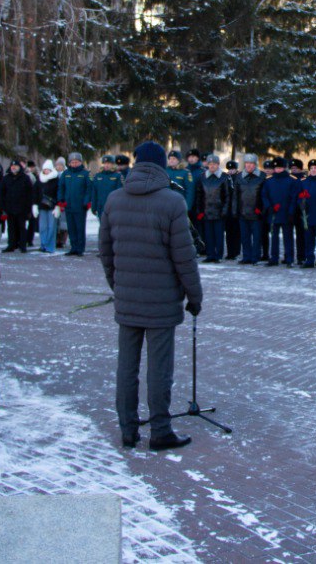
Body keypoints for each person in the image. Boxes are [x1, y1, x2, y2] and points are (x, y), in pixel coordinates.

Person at [99, 140, 202, 452]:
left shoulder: (114, 200)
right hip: (161, 303)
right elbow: (185, 258)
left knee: (126, 367)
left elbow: (106, 254)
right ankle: (160, 430)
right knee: (160, 369)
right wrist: (194, 297)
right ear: (161, 166)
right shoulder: (172, 202)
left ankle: (128, 430)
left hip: (128, 300)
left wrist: (118, 287)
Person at [196, 154, 235, 263]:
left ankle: (218, 255)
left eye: (214, 164)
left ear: (218, 165)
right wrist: (200, 211)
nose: (212, 166)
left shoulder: (224, 177)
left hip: (219, 211)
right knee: (208, 235)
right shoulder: (202, 177)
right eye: (210, 164)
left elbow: (228, 196)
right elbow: (199, 195)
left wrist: (225, 211)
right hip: (207, 211)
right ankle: (210, 254)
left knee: (218, 235)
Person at [261, 157, 298, 266]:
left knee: (288, 237)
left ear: (284, 168)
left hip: (286, 213)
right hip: (273, 213)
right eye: (276, 167)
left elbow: (294, 197)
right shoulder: (269, 180)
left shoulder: (292, 180)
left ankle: (289, 258)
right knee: (274, 237)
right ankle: (274, 258)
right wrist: (269, 207)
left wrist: (291, 212)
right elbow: (264, 195)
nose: (278, 170)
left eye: (280, 167)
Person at [57, 153, 91, 256]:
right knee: (71, 228)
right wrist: (61, 200)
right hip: (68, 205)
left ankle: (80, 248)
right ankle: (73, 247)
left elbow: (88, 189)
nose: (74, 164)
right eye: (72, 162)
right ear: (69, 163)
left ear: (80, 162)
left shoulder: (85, 174)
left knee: (79, 228)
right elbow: (61, 188)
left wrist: (86, 202)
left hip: (80, 206)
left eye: (76, 162)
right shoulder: (66, 174)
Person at [0, 159, 33, 254]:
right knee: (11, 228)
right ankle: (11, 245)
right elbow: (3, 193)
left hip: (22, 208)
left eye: (16, 166)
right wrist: (4, 206)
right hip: (9, 207)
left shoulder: (25, 178)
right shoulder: (6, 178)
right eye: (12, 166)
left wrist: (28, 208)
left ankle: (22, 245)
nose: (13, 167)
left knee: (22, 227)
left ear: (20, 167)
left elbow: (29, 194)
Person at [36, 159, 60, 253]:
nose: (46, 171)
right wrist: (34, 205)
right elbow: (35, 193)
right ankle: (43, 244)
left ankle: (50, 246)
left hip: (52, 207)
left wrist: (58, 205)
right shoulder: (40, 180)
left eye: (48, 169)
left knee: (51, 227)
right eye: (45, 169)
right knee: (42, 227)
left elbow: (59, 193)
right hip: (42, 207)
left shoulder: (55, 180)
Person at [224, 159, 242, 260]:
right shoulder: (226, 178)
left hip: (237, 208)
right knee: (229, 232)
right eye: (229, 169)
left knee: (236, 232)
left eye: (233, 169)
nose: (231, 171)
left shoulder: (239, 179)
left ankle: (236, 251)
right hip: (228, 209)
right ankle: (230, 252)